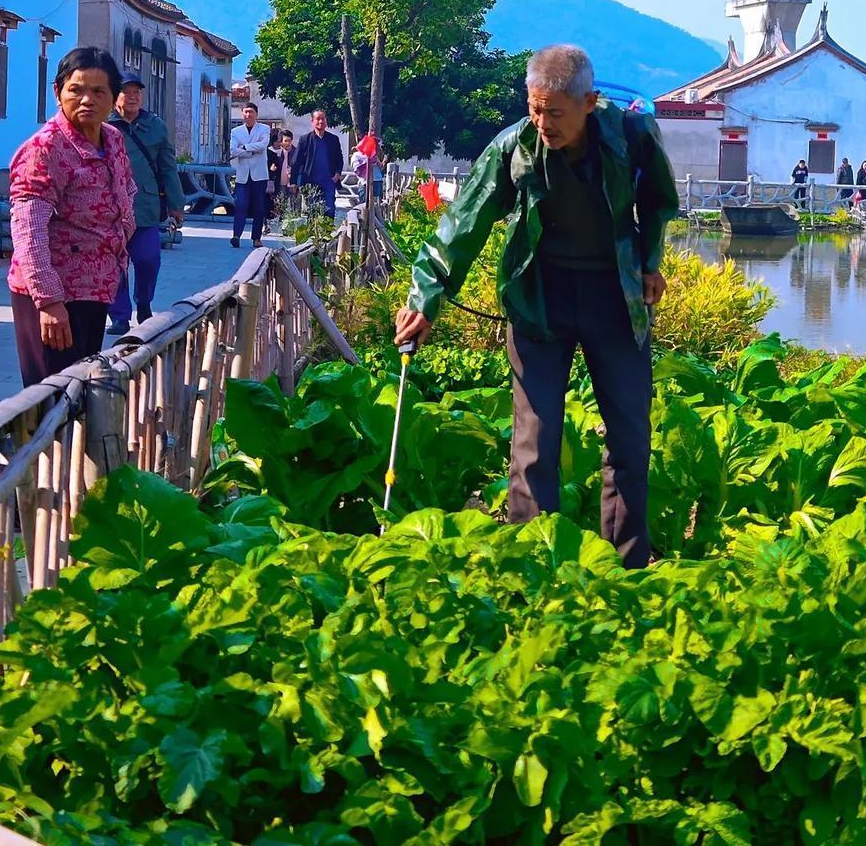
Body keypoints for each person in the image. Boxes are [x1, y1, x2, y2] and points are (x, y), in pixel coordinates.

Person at [393, 44, 679, 569]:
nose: (542, 122)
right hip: (539, 297)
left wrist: (650, 260)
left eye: (555, 112)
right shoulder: (513, 148)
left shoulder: (633, 135)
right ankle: (532, 563)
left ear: (590, 103)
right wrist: (425, 299)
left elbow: (659, 200)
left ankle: (628, 565)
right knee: (534, 440)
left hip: (615, 298)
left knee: (630, 435)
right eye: (534, 108)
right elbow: (461, 224)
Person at [7, 47, 137, 387]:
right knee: (52, 398)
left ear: (113, 98)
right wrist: (49, 302)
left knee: (81, 393)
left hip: (95, 290)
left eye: (98, 91)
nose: (87, 100)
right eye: (76, 89)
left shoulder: (112, 139)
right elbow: (28, 231)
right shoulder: (45, 149)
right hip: (53, 295)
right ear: (58, 92)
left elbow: (126, 190)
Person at [107, 70, 185, 333]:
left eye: (136, 92)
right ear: (114, 96)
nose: (132, 97)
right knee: (114, 263)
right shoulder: (104, 126)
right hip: (110, 209)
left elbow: (168, 168)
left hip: (146, 206)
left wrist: (176, 203)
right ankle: (119, 315)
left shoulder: (155, 126)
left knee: (148, 259)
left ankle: (143, 303)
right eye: (126, 92)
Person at [229, 101, 271, 247]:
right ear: (242, 114)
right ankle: (236, 235)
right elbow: (233, 151)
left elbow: (263, 145)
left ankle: (256, 238)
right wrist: (251, 152)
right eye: (246, 112)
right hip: (243, 175)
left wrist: (245, 148)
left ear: (256, 114)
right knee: (240, 205)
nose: (248, 115)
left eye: (251, 112)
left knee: (259, 207)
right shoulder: (236, 131)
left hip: (259, 175)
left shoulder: (264, 129)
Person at [291, 110, 344, 219]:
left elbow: (339, 159)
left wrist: (337, 175)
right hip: (310, 182)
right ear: (312, 121)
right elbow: (296, 162)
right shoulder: (305, 140)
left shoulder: (333, 139)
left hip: (329, 181)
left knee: (329, 210)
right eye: (318, 119)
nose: (320, 121)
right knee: (312, 212)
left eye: (323, 118)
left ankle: (327, 235)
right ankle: (314, 235)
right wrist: (293, 182)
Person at [271, 129, 298, 212]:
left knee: (295, 207)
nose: (288, 143)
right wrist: (272, 168)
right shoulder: (277, 153)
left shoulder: (296, 153)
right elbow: (273, 166)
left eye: (289, 140)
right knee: (281, 206)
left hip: (292, 183)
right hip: (280, 183)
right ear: (281, 142)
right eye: (285, 141)